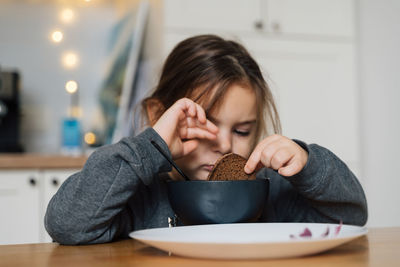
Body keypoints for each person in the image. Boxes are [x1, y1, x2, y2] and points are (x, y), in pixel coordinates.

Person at [45, 35, 367, 245]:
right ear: (159, 116)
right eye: (205, 126)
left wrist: (308, 165)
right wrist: (150, 146)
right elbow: (67, 224)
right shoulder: (139, 197)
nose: (225, 146)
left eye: (242, 131)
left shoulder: (271, 190)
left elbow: (350, 219)